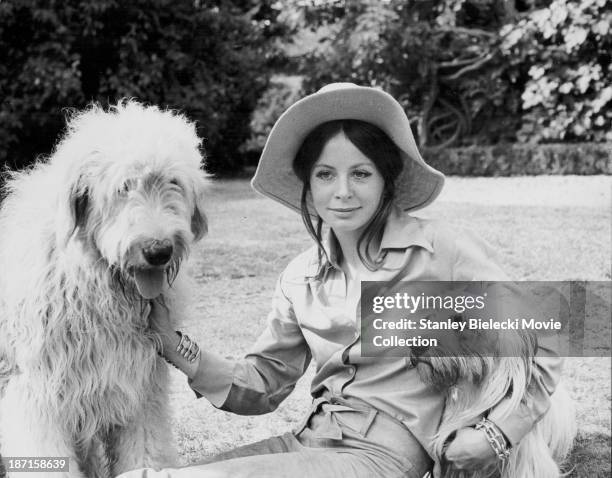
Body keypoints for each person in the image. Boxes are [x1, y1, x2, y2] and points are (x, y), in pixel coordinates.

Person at [120, 83, 561, 478]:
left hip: (385, 459)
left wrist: (498, 435)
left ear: (387, 179)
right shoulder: (301, 278)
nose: (343, 192)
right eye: (326, 175)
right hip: (308, 445)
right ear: (308, 187)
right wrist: (171, 342)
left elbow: (548, 331)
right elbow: (261, 385)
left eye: (361, 173)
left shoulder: (439, 252)